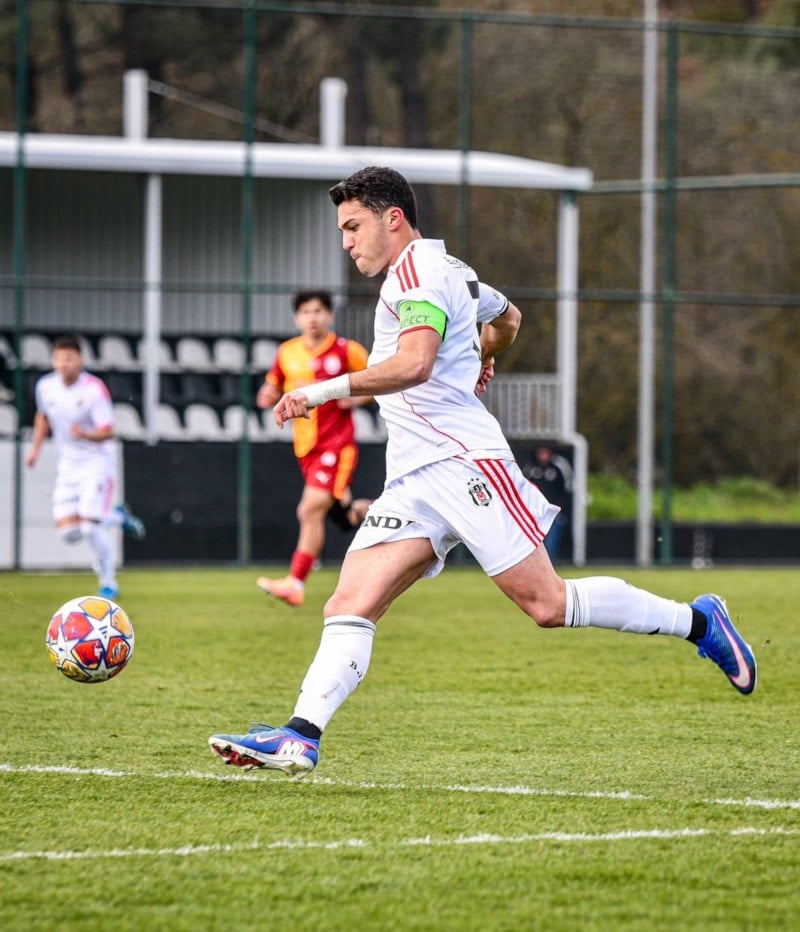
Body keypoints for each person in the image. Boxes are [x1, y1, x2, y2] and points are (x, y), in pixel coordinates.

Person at [209, 166, 757, 777]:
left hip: (463, 462)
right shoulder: (452, 271)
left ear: (394, 219)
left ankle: (699, 621)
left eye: (354, 226)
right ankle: (300, 735)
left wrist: (317, 392)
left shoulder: (417, 274)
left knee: (547, 604)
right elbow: (510, 318)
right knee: (349, 602)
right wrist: (483, 355)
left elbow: (415, 364)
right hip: (415, 477)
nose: (347, 242)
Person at [255, 290, 373, 607]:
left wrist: (357, 399)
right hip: (306, 448)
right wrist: (267, 395)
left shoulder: (348, 351)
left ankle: (295, 583)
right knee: (343, 517)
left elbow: (379, 382)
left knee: (308, 510)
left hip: (336, 445)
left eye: (319, 311)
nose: (313, 317)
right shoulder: (287, 352)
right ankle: (379, 510)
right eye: (306, 311)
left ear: (330, 316)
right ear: (297, 318)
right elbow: (273, 385)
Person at [25, 334, 145, 599]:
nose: (64, 364)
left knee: (91, 527)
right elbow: (43, 417)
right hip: (67, 466)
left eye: (69, 359)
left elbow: (108, 431)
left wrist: (86, 435)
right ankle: (117, 517)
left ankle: (109, 583)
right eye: (59, 359)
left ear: (80, 360)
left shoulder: (93, 389)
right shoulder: (46, 387)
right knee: (69, 533)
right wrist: (35, 450)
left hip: (96, 463)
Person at [523, 443, 573, 562]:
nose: (544, 456)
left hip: (554, 514)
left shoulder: (558, 468)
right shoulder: (530, 469)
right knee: (534, 546)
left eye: (546, 453)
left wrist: (561, 509)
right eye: (541, 453)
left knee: (551, 545)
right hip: (535, 514)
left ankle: (551, 568)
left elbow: (565, 490)